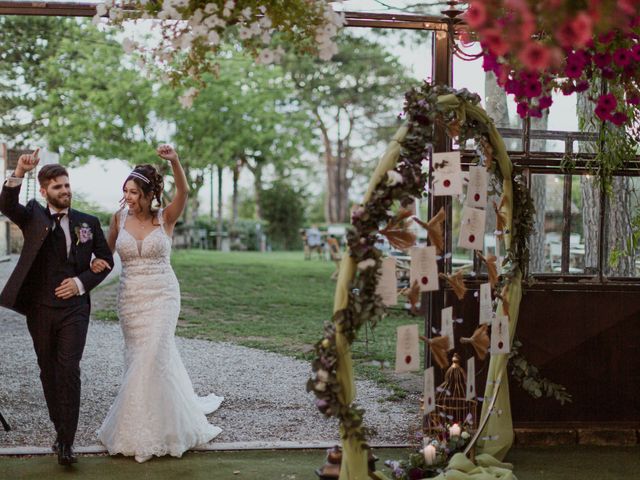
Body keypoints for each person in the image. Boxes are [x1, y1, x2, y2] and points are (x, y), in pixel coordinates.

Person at [92, 145, 223, 463]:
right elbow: (104, 257)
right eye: (126, 191)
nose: (129, 198)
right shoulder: (118, 218)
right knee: (143, 361)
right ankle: (150, 425)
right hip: (131, 300)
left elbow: (184, 190)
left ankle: (152, 433)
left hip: (163, 296)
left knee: (152, 357)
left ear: (149, 194)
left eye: (135, 192)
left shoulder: (166, 217)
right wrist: (87, 271)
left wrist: (175, 160)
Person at [0, 150, 114, 466]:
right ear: (44, 191)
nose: (64, 191)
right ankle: (59, 428)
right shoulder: (33, 215)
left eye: (66, 185)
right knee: (48, 371)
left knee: (68, 369)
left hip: (75, 309)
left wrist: (82, 281)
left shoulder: (87, 223)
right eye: (57, 187)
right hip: (39, 309)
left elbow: (106, 261)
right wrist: (19, 170)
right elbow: (6, 205)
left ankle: (66, 442)